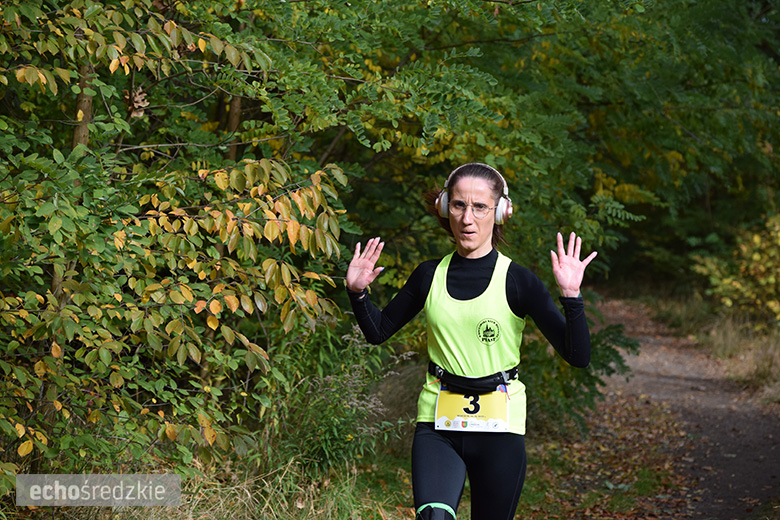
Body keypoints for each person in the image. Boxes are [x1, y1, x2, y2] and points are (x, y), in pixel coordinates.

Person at [345, 163, 597, 520]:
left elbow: (578, 356)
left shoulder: (518, 281)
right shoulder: (429, 275)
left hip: (500, 427)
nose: (467, 218)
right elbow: (378, 331)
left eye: (480, 207)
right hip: (438, 425)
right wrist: (358, 294)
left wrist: (572, 297)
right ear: (445, 208)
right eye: (459, 205)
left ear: (500, 213)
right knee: (434, 517)